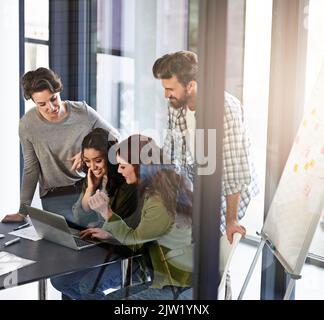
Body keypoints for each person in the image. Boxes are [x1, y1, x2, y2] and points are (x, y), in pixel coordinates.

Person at [153, 51, 259, 298]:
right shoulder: (177, 105)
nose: (166, 94)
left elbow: (234, 170)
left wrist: (231, 220)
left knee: (218, 258)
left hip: (230, 190)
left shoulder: (225, 110)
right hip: (198, 181)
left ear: (191, 85)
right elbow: (171, 150)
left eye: (170, 88)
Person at [78, 134, 193, 300]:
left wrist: (106, 212)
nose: (118, 170)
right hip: (173, 278)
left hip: (179, 285)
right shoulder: (165, 185)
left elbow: (135, 239)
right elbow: (145, 236)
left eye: (123, 166)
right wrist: (111, 233)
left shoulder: (158, 200)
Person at [1, 67, 119, 225]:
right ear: (33, 102)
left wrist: (84, 154)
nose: (51, 107)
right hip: (53, 196)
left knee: (91, 237)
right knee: (63, 240)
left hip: (86, 188)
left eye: (53, 99)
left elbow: (116, 137)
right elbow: (31, 168)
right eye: (41, 104)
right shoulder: (27, 125)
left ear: (58, 91)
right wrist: (23, 211)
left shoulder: (82, 112)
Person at [50, 128, 139, 300]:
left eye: (98, 160)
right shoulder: (93, 177)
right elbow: (79, 217)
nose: (92, 167)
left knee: (86, 287)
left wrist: (102, 216)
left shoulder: (127, 181)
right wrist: (90, 188)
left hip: (126, 252)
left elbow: (120, 230)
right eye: (87, 161)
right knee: (59, 280)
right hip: (102, 246)